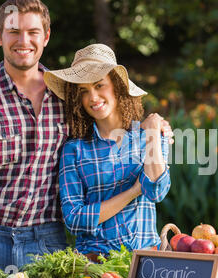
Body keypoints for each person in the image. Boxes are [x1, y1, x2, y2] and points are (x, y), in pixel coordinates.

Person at [0, 0, 173, 278]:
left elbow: (110, 129)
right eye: (13, 31)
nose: (23, 41)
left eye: (33, 32)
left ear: (46, 37)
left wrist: (153, 127)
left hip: (47, 243)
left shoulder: (66, 99)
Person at [43, 43, 171, 260]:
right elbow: (74, 219)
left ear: (117, 87)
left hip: (147, 260)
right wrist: (133, 191)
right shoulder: (74, 150)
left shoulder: (149, 135)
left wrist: (151, 135)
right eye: (84, 91)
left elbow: (157, 190)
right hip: (94, 263)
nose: (92, 97)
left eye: (99, 85)